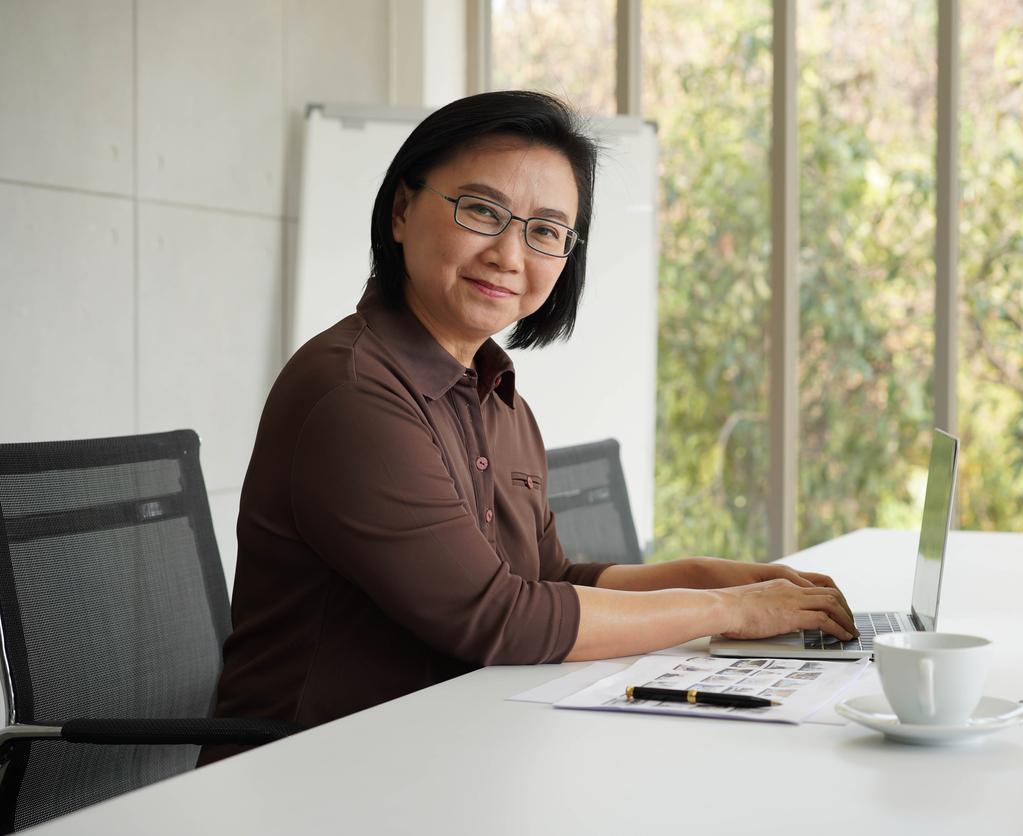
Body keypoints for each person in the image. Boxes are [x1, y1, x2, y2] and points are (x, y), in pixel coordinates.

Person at [199, 91, 855, 765]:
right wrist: (731, 613)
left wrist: (700, 576)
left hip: (457, 748)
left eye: (545, 231)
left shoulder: (493, 391)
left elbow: (545, 577)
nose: (510, 255)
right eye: (482, 211)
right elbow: (498, 618)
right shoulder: (354, 393)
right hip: (315, 775)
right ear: (401, 211)